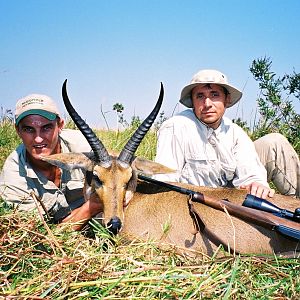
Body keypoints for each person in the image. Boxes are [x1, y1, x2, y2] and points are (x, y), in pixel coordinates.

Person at [155, 69, 300, 198]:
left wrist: (256, 183)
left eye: (214, 94)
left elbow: (250, 170)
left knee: (275, 141)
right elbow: (164, 180)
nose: (207, 104)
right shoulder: (175, 126)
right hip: (197, 201)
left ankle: (295, 202)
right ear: (192, 102)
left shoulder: (234, 131)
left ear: (227, 99)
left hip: (231, 194)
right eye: (200, 96)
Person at [0, 93, 102, 229]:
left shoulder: (83, 146)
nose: (38, 139)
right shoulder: (13, 177)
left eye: (46, 128)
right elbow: (42, 236)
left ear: (60, 125)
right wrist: (91, 207)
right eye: (28, 129)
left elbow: (116, 173)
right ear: (18, 130)